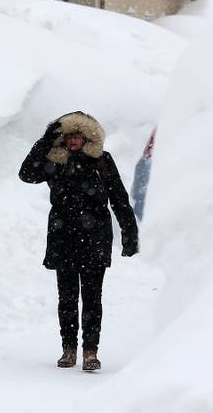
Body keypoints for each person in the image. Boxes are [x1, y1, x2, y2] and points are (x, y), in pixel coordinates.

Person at [19, 112, 139, 372]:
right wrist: (44, 142)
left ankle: (90, 351)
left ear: (87, 137)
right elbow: (26, 174)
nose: (73, 140)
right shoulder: (55, 160)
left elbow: (119, 198)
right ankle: (69, 349)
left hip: (95, 237)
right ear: (63, 138)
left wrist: (129, 233)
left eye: (78, 136)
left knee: (93, 298)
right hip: (63, 237)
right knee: (67, 298)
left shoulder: (102, 161)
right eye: (69, 136)